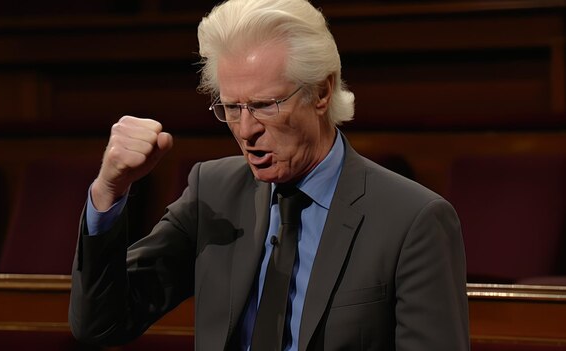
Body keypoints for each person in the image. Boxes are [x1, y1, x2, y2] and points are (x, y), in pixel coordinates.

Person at [69, 0, 469, 349]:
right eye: (231, 108)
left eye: (264, 105)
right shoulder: (213, 193)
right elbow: (101, 324)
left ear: (322, 92)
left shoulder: (413, 220)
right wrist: (109, 189)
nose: (246, 130)